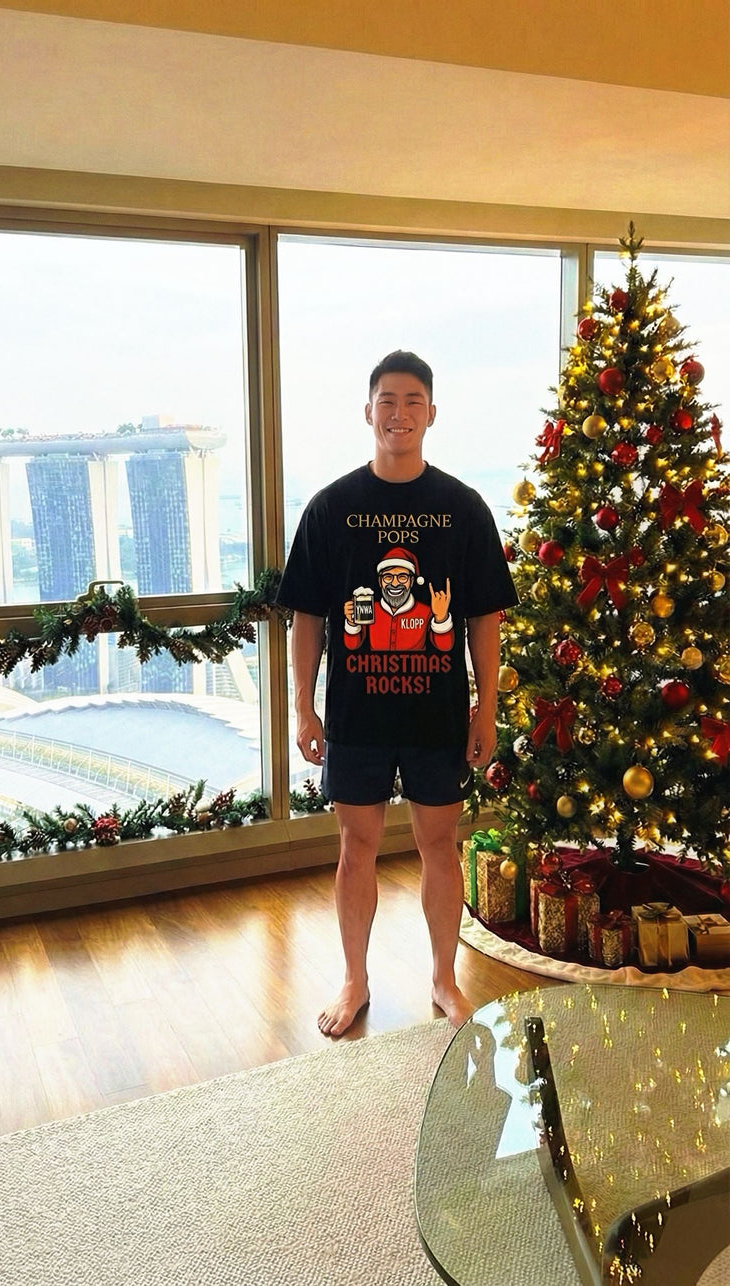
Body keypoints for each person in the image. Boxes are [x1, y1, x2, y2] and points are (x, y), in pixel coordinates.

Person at [277, 351, 518, 1035]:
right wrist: (303, 706)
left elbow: (484, 619)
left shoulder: (463, 508)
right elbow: (306, 618)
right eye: (387, 400)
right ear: (368, 412)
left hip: (437, 717)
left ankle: (443, 978)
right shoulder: (331, 508)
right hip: (356, 718)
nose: (399, 413)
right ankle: (354, 979)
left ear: (431, 414)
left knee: (440, 846)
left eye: (413, 401)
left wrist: (486, 710)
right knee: (356, 845)